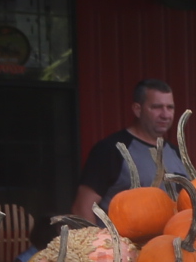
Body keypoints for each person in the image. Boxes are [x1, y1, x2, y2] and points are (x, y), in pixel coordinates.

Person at [72, 79, 182, 222]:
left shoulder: (175, 153)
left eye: (170, 107)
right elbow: (82, 208)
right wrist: (98, 244)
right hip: (121, 243)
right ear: (137, 109)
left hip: (167, 243)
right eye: (157, 107)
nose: (165, 114)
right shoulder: (111, 150)